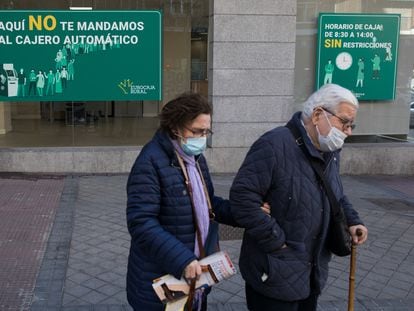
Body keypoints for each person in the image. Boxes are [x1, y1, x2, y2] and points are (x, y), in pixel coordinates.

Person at [229, 84, 368, 311]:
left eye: (352, 125)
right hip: (274, 272)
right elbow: (243, 198)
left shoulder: (330, 150)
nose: (348, 131)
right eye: (344, 122)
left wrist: (353, 220)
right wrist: (277, 242)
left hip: (311, 273)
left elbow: (335, 192)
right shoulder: (274, 144)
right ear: (317, 115)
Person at [126, 92, 269, 311]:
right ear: (175, 127)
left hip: (194, 277)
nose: (202, 137)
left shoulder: (194, 160)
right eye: (196, 131)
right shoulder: (150, 161)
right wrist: (182, 259)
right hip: (162, 280)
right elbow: (141, 222)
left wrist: (247, 212)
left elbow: (210, 205)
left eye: (206, 131)